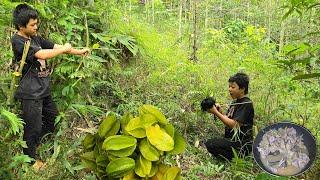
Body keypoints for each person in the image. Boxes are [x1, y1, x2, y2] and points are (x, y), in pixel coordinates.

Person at [11, 4, 89, 169]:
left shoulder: (36, 38)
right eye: (32, 25)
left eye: (36, 23)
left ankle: (39, 143)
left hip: (43, 90)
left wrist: (78, 51)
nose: (36, 27)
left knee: (52, 118)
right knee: (32, 127)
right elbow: (42, 54)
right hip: (30, 93)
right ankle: (31, 162)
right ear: (21, 26)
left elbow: (56, 47)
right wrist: (65, 49)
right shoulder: (17, 41)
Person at [201, 72, 254, 160]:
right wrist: (219, 111)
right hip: (232, 141)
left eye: (233, 87)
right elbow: (228, 120)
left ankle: (238, 157)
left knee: (211, 144)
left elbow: (234, 125)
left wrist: (216, 113)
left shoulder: (246, 104)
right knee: (210, 142)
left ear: (242, 88)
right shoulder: (235, 102)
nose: (230, 89)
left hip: (241, 145)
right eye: (229, 86)